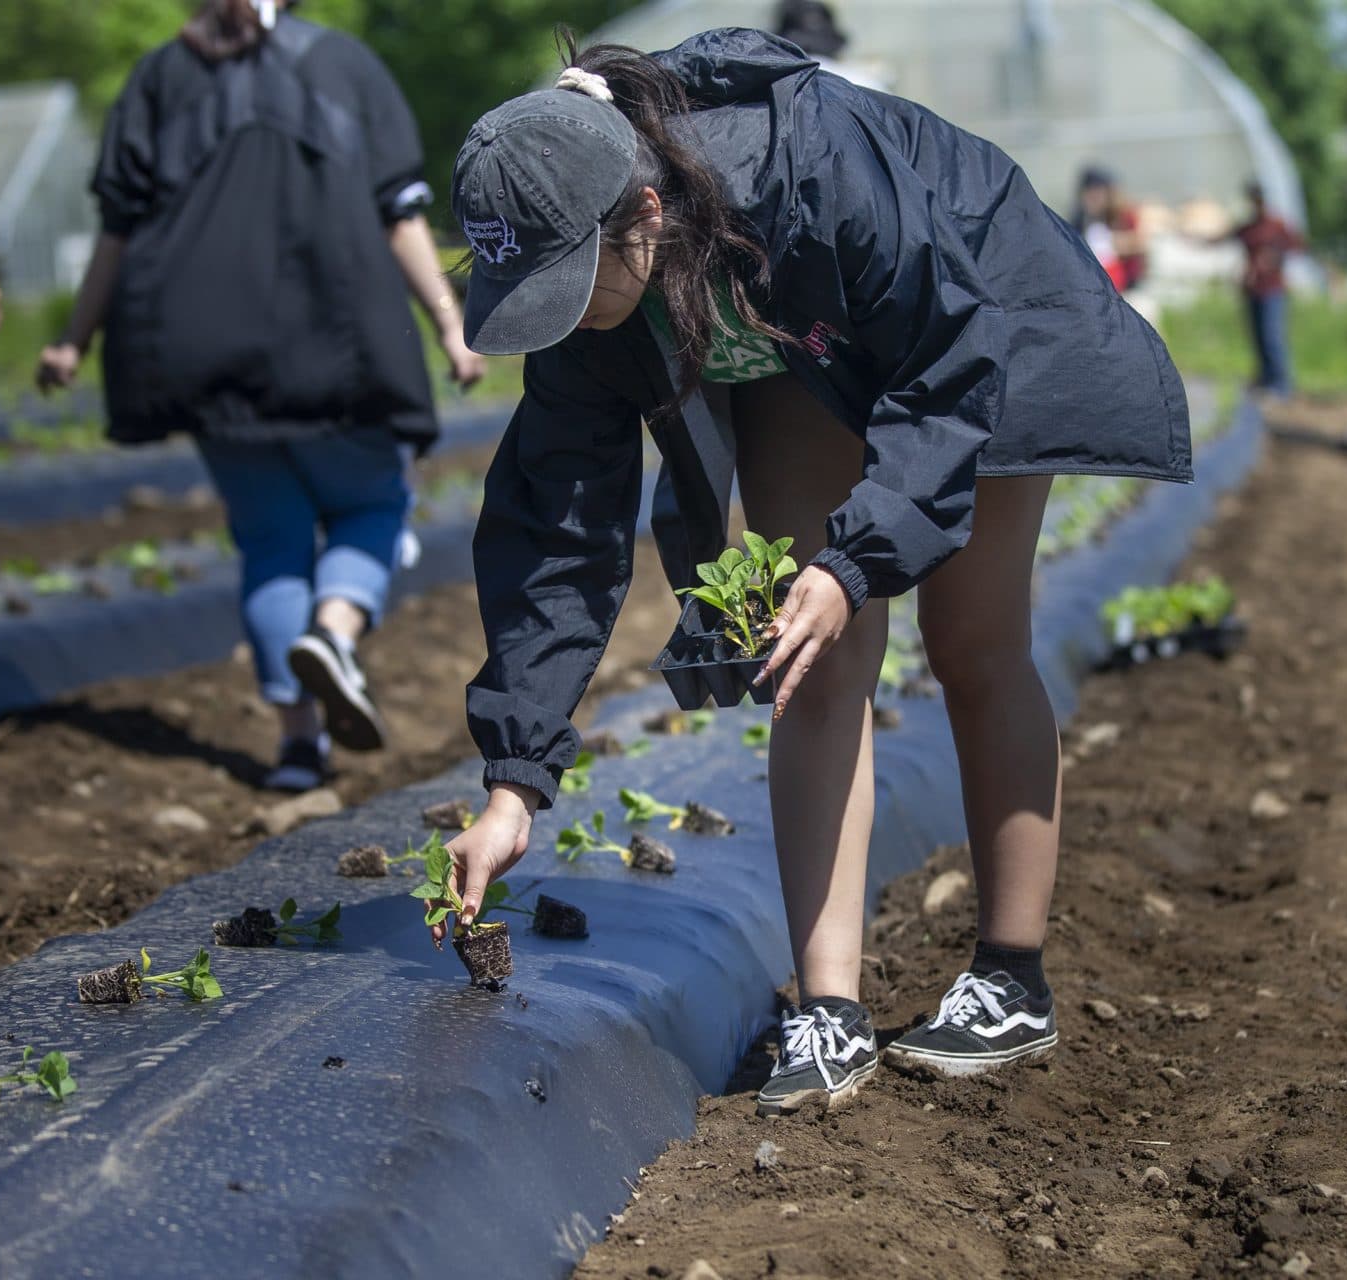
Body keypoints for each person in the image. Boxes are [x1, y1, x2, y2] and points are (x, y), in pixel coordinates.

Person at [436, 30, 1190, 1115]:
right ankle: (829, 1010)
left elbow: (945, 365)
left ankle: (1012, 976)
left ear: (644, 216)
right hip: (806, 341)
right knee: (814, 659)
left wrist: (856, 559)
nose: (555, 314)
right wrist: (515, 780)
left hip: (975, 323)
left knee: (973, 642)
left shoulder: (815, 171)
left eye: (567, 283)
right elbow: (558, 530)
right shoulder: (586, 284)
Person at [36, 0, 483, 792]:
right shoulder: (342, 65)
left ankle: (296, 750)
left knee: (271, 541)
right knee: (370, 507)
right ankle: (335, 634)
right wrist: (450, 326)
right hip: (332, 346)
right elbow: (399, 211)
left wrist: (75, 338)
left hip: (200, 357)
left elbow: (119, 226)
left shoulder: (159, 78)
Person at [1229, 181, 1305, 399]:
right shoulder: (1249, 227)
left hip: (1272, 288)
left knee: (1272, 335)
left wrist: (1272, 258)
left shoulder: (1276, 225)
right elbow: (1227, 237)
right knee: (1258, 336)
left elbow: (1296, 246)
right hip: (1252, 288)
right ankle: (1266, 378)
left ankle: (1282, 383)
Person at [1073, 167, 1147, 293]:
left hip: (1124, 285)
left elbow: (1139, 243)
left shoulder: (1122, 217)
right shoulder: (1079, 222)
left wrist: (1119, 243)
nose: (1095, 199)